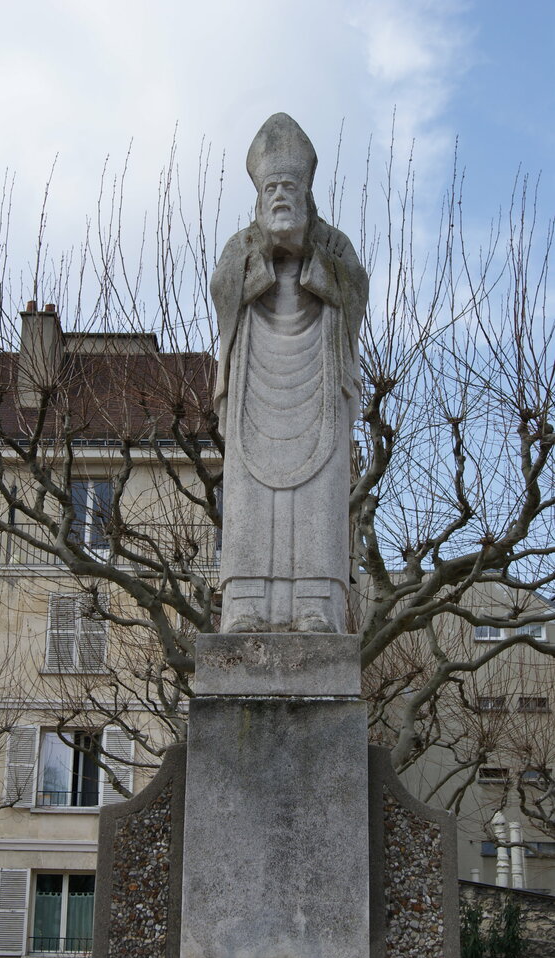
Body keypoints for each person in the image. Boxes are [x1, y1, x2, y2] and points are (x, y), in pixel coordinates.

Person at [211, 112, 368, 633]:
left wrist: (307, 256)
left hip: (318, 385)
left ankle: (316, 604)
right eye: (271, 187)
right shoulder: (242, 247)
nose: (280, 195)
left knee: (319, 496)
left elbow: (355, 291)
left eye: (289, 187)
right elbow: (223, 292)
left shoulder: (334, 246)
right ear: (259, 198)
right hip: (254, 388)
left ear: (306, 194)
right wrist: (265, 256)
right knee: (249, 498)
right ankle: (245, 605)